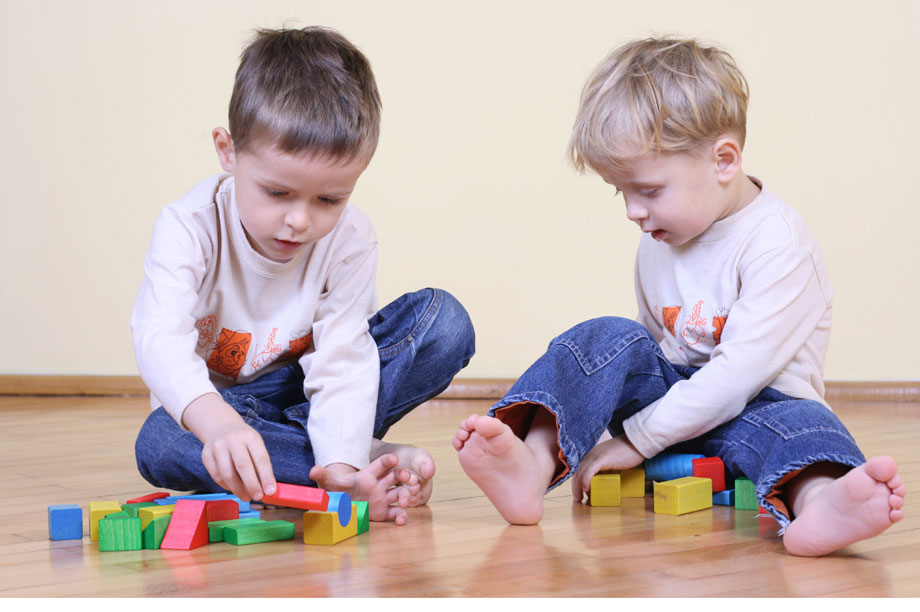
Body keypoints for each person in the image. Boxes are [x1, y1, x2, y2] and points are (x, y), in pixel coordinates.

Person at [453, 37, 905, 555]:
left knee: (803, 425)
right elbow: (651, 348)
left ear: (724, 160)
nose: (632, 211)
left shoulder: (779, 243)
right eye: (620, 192)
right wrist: (628, 431)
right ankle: (533, 462)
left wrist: (636, 441)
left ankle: (822, 501)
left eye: (648, 190)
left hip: (758, 408)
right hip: (673, 409)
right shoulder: (660, 236)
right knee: (609, 337)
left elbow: (737, 377)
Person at [132, 26, 475, 525]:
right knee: (161, 439)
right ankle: (360, 455)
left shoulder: (351, 238)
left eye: (330, 199)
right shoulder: (189, 226)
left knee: (445, 324)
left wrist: (341, 473)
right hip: (220, 408)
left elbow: (342, 359)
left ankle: (336, 460)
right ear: (228, 151)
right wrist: (220, 425)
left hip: (306, 392)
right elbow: (158, 338)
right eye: (276, 193)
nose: (300, 220)